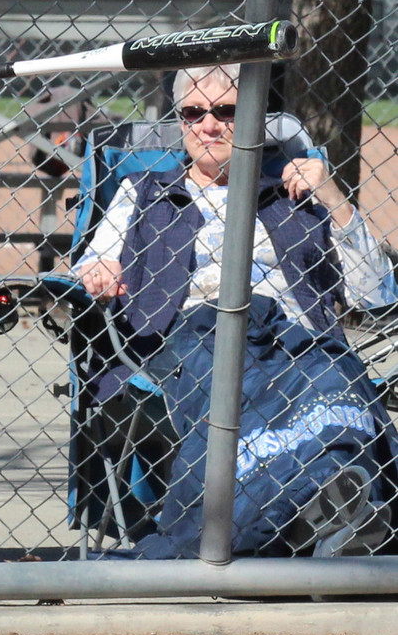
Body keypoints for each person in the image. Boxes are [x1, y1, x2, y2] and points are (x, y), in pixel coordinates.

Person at [73, 63, 398, 557]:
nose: (208, 125)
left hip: (297, 342)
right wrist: (97, 270)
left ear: (254, 119)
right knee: (233, 370)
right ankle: (319, 522)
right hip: (190, 337)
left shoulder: (293, 193)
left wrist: (334, 198)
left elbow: (376, 293)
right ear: (180, 121)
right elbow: (94, 262)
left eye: (226, 111)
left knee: (334, 370)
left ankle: (319, 520)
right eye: (193, 113)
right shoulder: (144, 192)